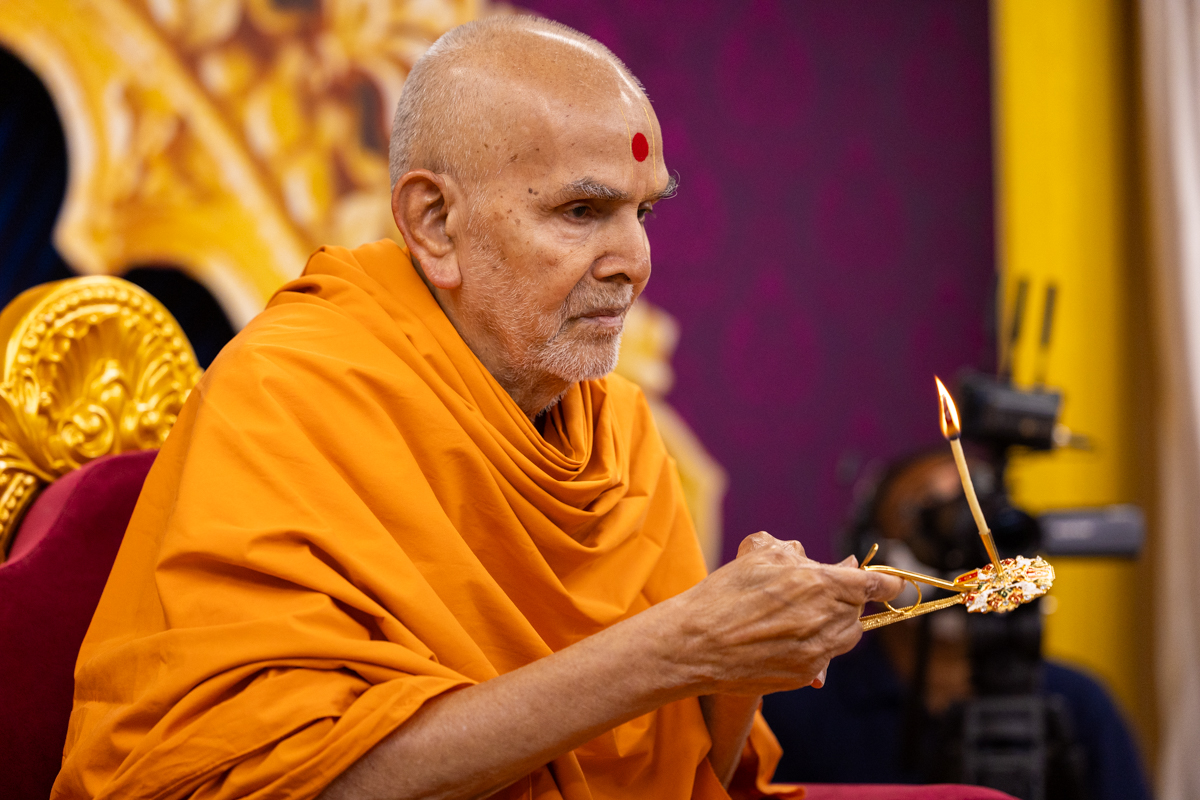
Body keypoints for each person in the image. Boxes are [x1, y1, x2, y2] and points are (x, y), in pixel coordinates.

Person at [52, 16, 901, 800]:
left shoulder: (620, 432)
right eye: (582, 210)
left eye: (642, 211)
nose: (636, 260)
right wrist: (678, 647)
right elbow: (285, 780)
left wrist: (739, 664)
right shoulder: (291, 395)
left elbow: (682, 773)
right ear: (434, 222)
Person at [762, 452, 1152, 800]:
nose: (964, 545)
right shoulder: (798, 706)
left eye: (980, 514)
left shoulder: (1077, 705)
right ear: (869, 550)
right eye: (931, 515)